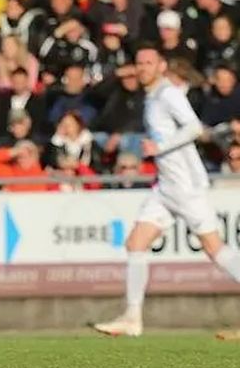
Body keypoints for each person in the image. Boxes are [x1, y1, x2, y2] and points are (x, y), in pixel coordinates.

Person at [93, 43, 240, 337]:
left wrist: (159, 147)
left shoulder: (168, 94)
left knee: (215, 250)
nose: (143, 67)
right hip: (166, 188)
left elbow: (194, 128)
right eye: (140, 63)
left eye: (149, 62)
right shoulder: (151, 98)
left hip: (186, 187)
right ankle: (132, 318)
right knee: (135, 243)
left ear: (161, 66)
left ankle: (132, 317)